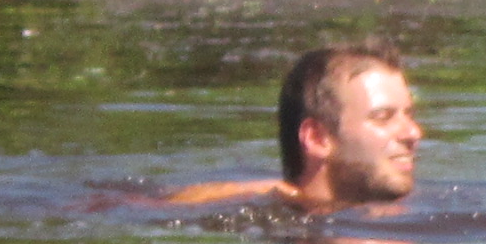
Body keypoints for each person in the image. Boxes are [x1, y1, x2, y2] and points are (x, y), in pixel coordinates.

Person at [167, 44, 423, 210]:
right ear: (318, 139)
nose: (413, 133)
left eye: (408, 115)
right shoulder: (264, 213)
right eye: (383, 117)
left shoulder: (415, 207)